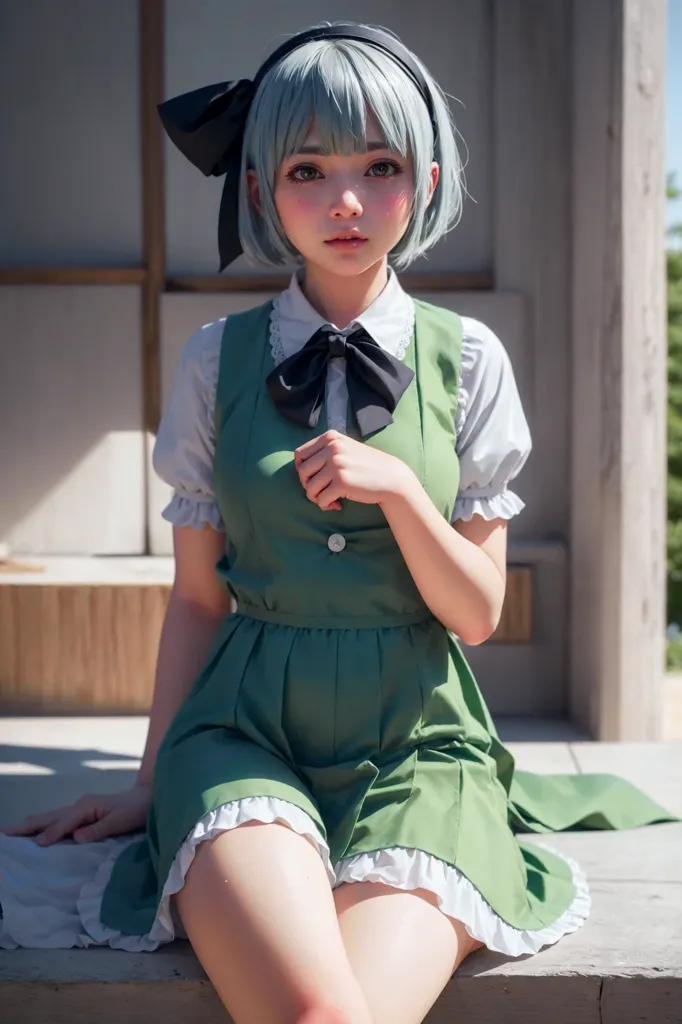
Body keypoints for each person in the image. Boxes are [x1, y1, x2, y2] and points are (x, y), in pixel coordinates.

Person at [0, 21, 677, 1024]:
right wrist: (150, 782)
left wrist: (401, 492)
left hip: (419, 746)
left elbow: (478, 611)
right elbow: (196, 595)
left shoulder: (471, 361)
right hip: (241, 734)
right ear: (263, 190)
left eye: (381, 165)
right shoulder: (211, 361)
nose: (347, 201)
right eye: (308, 169)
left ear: (429, 178)